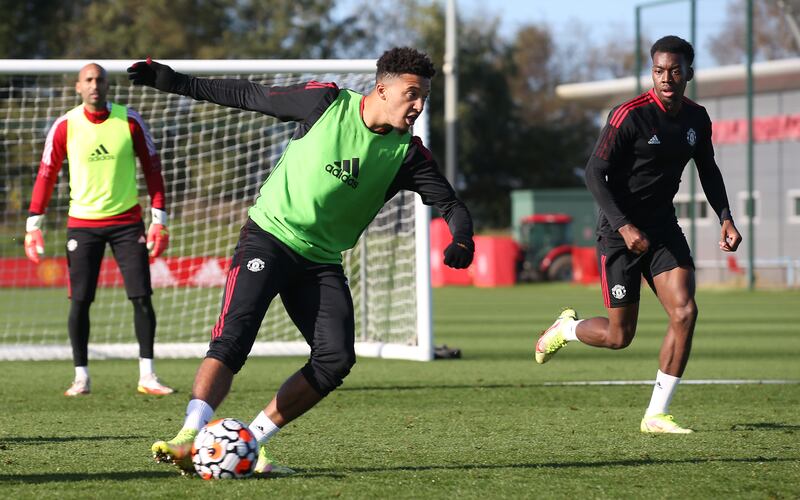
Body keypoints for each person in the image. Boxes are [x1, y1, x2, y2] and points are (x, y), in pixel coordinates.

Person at [127, 47, 474, 475]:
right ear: (382, 89)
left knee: (335, 359)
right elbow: (248, 95)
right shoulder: (325, 102)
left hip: (321, 260)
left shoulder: (407, 154)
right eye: (412, 94)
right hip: (268, 238)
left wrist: (461, 237)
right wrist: (175, 82)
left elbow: (451, 203)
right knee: (233, 338)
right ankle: (189, 435)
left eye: (424, 97)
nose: (419, 105)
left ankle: (250, 442)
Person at [534, 36, 742, 434]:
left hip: (662, 228)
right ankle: (565, 329)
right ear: (652, 72)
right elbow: (594, 173)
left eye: (675, 71)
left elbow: (709, 170)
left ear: (689, 75)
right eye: (659, 71)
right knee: (619, 335)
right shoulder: (628, 115)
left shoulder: (697, 119)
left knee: (685, 311)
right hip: (619, 230)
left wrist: (726, 217)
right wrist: (624, 225)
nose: (667, 78)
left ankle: (656, 414)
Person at [24, 63, 174, 397]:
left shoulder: (130, 121)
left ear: (108, 85)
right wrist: (33, 225)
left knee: (142, 298)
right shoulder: (65, 125)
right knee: (80, 301)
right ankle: (81, 377)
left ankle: (147, 375)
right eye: (88, 80)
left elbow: (153, 169)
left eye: (100, 80)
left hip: (126, 223)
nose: (95, 85)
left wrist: (159, 220)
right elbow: (46, 174)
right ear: (78, 87)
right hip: (82, 224)